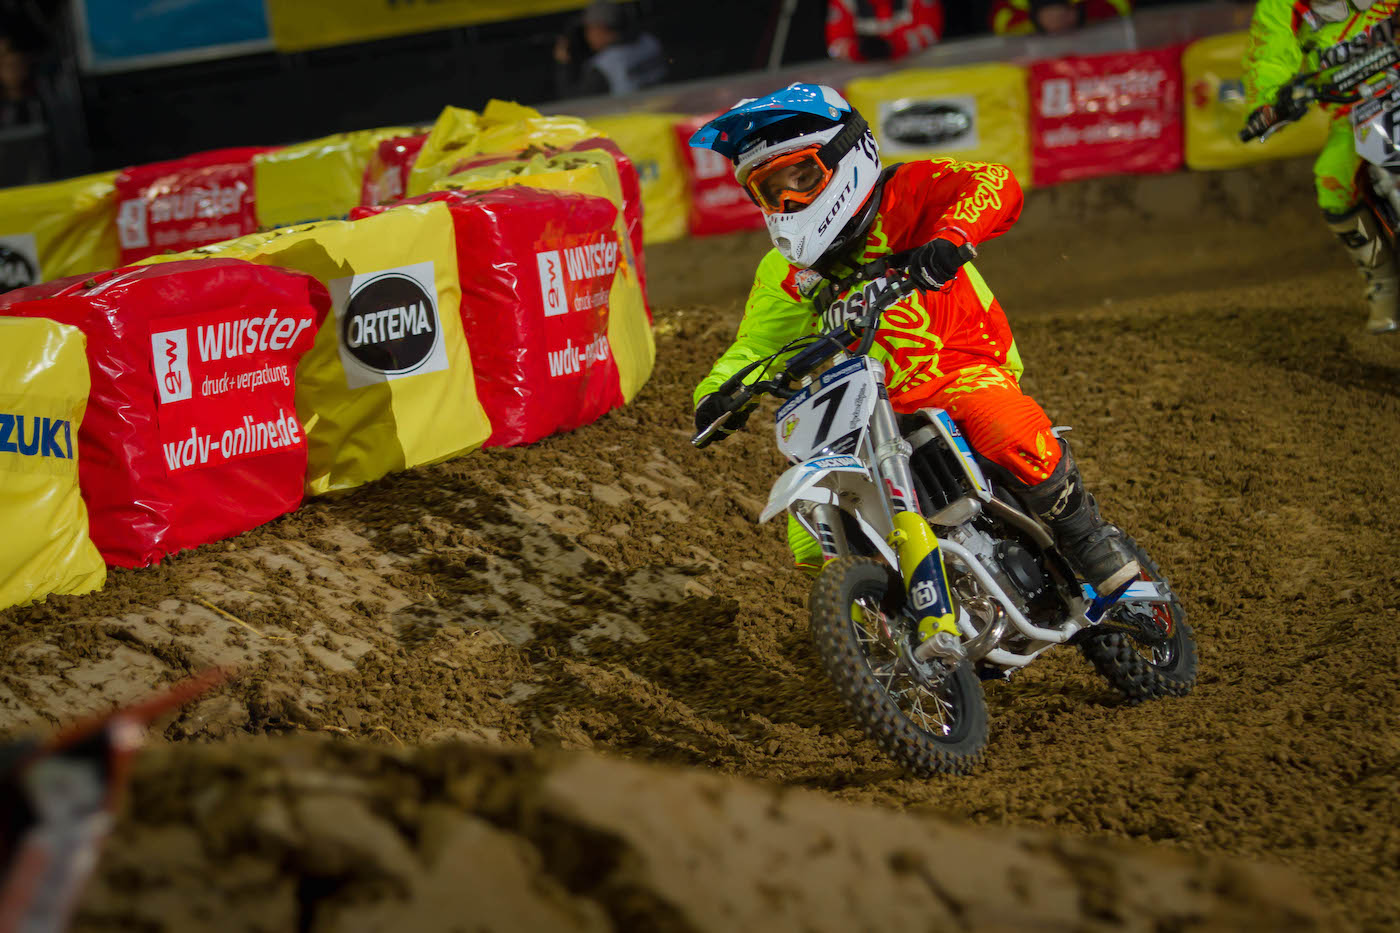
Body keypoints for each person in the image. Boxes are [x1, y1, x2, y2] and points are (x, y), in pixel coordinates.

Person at [688, 83, 1141, 595]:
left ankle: (1086, 536)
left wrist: (952, 237)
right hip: (864, 409)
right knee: (812, 532)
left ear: (845, 156)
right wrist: (719, 392)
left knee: (1005, 427)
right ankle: (890, 614)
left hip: (959, 367)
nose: (789, 199)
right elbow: (758, 346)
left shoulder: (908, 192)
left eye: (803, 176)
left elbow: (993, 182)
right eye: (772, 191)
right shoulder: (784, 271)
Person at [1243, 0, 1399, 335]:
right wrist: (1267, 104)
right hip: (1353, 110)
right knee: (1331, 181)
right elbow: (1270, 55)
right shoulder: (1279, 6)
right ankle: (1383, 282)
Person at [553, 0, 667, 98]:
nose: (586, 36)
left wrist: (563, 64)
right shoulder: (649, 41)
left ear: (600, 28)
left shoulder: (604, 67)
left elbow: (576, 102)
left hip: (631, 115)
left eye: (588, 29)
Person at [825, 0, 944, 63]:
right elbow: (835, 47)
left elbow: (931, 33)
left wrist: (895, 45)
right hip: (865, 78)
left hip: (915, 70)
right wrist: (859, 49)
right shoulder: (844, 1)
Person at [989, 0, 1132, 35]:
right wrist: (1035, 19)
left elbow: (1122, 4)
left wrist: (1081, 14)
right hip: (1036, 60)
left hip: (1098, 52)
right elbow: (999, 21)